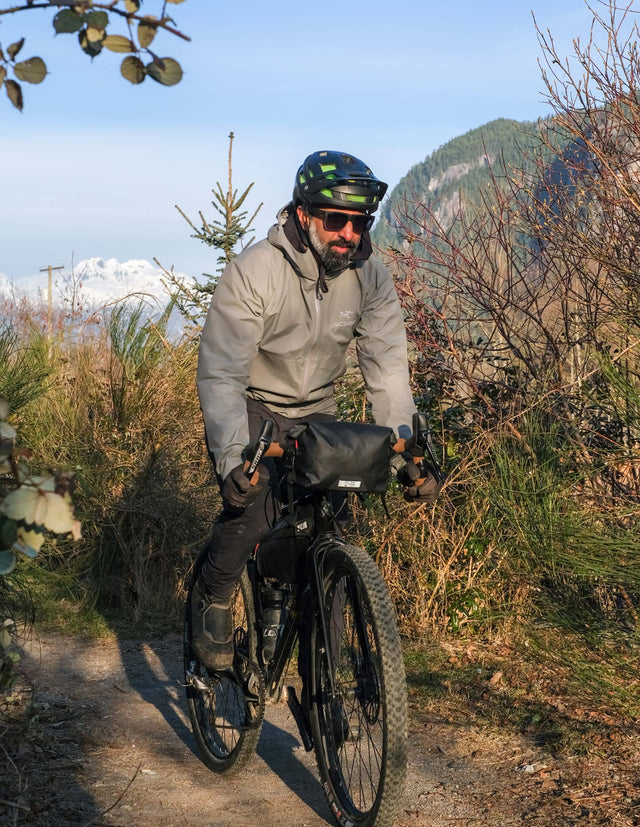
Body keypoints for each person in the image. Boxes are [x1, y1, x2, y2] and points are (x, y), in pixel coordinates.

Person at [192, 150, 441, 670]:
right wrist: (233, 458)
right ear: (304, 215)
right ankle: (212, 596)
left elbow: (388, 369)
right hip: (254, 403)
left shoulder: (369, 278)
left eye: (359, 222)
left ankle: (321, 672)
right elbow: (221, 373)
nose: (349, 233)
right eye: (336, 220)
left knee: (331, 521)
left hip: (318, 409)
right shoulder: (255, 272)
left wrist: (405, 452)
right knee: (253, 502)